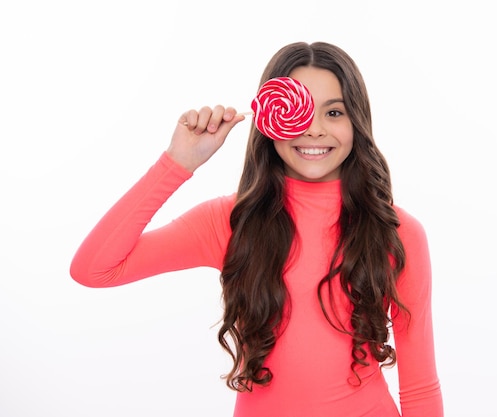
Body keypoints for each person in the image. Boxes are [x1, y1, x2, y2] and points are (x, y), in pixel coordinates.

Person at [70, 41, 444, 417]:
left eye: (334, 112)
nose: (314, 130)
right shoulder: (231, 221)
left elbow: (420, 387)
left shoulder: (397, 233)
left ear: (357, 122)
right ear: (270, 118)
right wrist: (176, 164)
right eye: (299, 112)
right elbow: (95, 270)